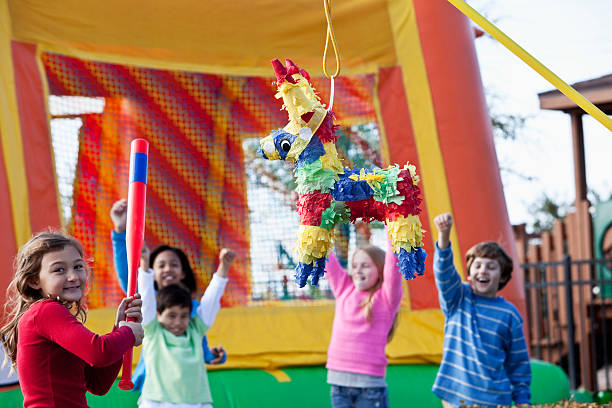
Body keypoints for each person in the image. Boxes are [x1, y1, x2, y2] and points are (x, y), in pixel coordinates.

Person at [0, 231, 144, 408]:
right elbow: (99, 352)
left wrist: (119, 327)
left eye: (77, 267)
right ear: (34, 281)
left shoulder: (51, 314)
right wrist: (128, 333)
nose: (73, 277)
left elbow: (98, 384)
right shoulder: (45, 311)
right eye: (59, 270)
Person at [109, 199, 227, 391]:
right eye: (161, 265)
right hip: (155, 381)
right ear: (152, 273)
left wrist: (209, 355)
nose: (167, 269)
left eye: (173, 264)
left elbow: (196, 335)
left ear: (182, 273)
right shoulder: (149, 300)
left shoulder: (193, 306)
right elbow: (126, 273)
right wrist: (121, 231)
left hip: (183, 381)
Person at [431, 213, 531, 408]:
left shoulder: (509, 315)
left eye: (491, 267)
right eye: (477, 266)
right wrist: (443, 236)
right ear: (469, 274)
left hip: (495, 400)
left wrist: (522, 400)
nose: (483, 271)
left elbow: (518, 363)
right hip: (456, 397)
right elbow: (443, 273)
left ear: (502, 277)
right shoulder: (458, 298)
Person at [137, 247, 235, 407]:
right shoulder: (152, 331)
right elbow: (146, 299)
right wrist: (144, 264)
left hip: (196, 402)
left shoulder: (195, 330)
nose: (177, 322)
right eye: (171, 316)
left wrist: (223, 268)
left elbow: (211, 301)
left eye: (183, 316)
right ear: (158, 314)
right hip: (157, 401)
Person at [325, 243, 402, 408]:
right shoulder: (344, 289)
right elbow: (325, 256)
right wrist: (312, 225)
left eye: (365, 266)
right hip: (338, 386)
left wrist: (393, 225)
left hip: (369, 387)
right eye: (354, 266)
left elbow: (393, 268)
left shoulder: (385, 298)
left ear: (381, 270)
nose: (358, 270)